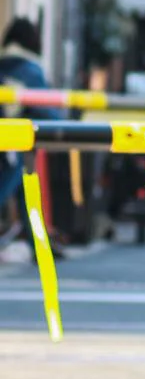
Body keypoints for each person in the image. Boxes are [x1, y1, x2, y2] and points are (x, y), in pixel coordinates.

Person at [0, 18, 64, 260]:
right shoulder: (31, 69)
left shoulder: (3, 64)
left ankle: (37, 242)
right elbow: (50, 112)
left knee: (25, 192)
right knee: (19, 188)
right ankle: (38, 243)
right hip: (15, 142)